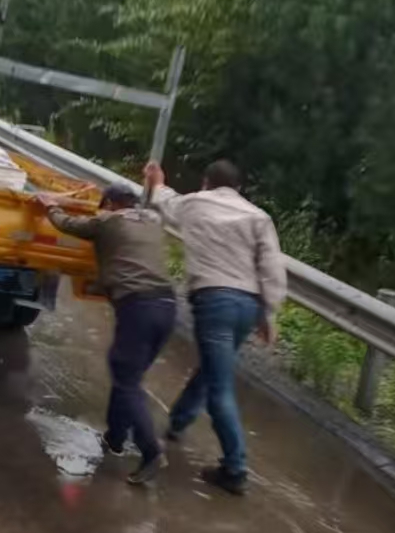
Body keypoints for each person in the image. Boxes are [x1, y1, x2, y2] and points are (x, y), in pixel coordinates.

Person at [144, 159, 286, 496]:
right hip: (247, 305)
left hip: (214, 301)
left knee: (220, 386)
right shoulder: (258, 216)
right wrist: (268, 314)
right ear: (239, 188)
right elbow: (271, 269)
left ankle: (235, 468)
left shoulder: (195, 203)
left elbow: (163, 200)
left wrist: (156, 180)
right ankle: (178, 421)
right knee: (213, 368)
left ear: (206, 182)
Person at [36, 184, 177, 486]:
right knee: (128, 375)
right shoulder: (152, 221)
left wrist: (50, 205)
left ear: (111, 203)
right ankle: (115, 437)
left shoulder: (108, 221)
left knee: (126, 379)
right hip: (167, 305)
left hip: (138, 306)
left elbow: (67, 224)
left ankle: (151, 451)